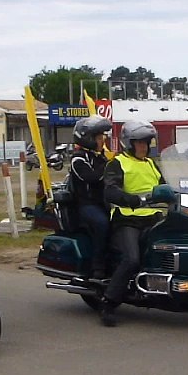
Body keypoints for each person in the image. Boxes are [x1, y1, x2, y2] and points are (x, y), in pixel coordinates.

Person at [100, 120, 165, 327]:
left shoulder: (151, 164)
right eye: (139, 143)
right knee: (132, 259)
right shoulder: (117, 163)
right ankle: (108, 302)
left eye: (146, 143)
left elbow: (165, 185)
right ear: (129, 143)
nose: (144, 147)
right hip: (127, 219)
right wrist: (131, 200)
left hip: (153, 217)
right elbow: (110, 190)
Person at [67, 115, 112, 278]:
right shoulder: (78, 159)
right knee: (102, 224)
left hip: (105, 202)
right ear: (88, 139)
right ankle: (97, 266)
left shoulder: (100, 157)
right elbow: (91, 177)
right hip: (87, 205)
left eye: (102, 137)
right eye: (99, 138)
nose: (102, 141)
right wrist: (109, 170)